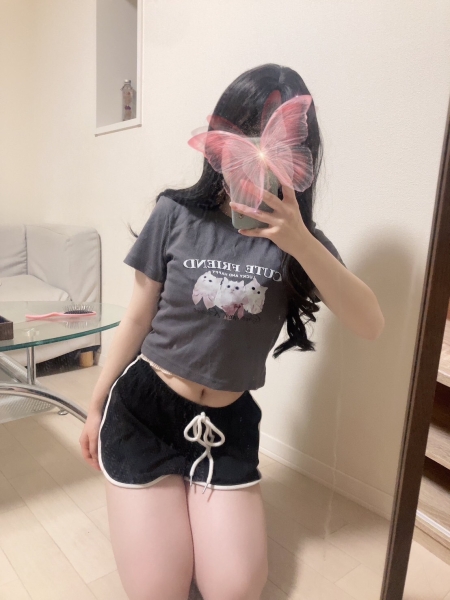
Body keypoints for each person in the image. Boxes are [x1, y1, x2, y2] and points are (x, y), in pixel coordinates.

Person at [79, 63, 384, 600]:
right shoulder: (175, 214)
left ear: (300, 154)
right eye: (246, 134)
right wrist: (95, 403)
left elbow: (370, 323)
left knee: (234, 589)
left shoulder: (299, 243)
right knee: (159, 590)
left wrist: (300, 242)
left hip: (225, 424)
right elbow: (137, 317)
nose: (258, 154)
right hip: (147, 410)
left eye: (278, 142)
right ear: (221, 139)